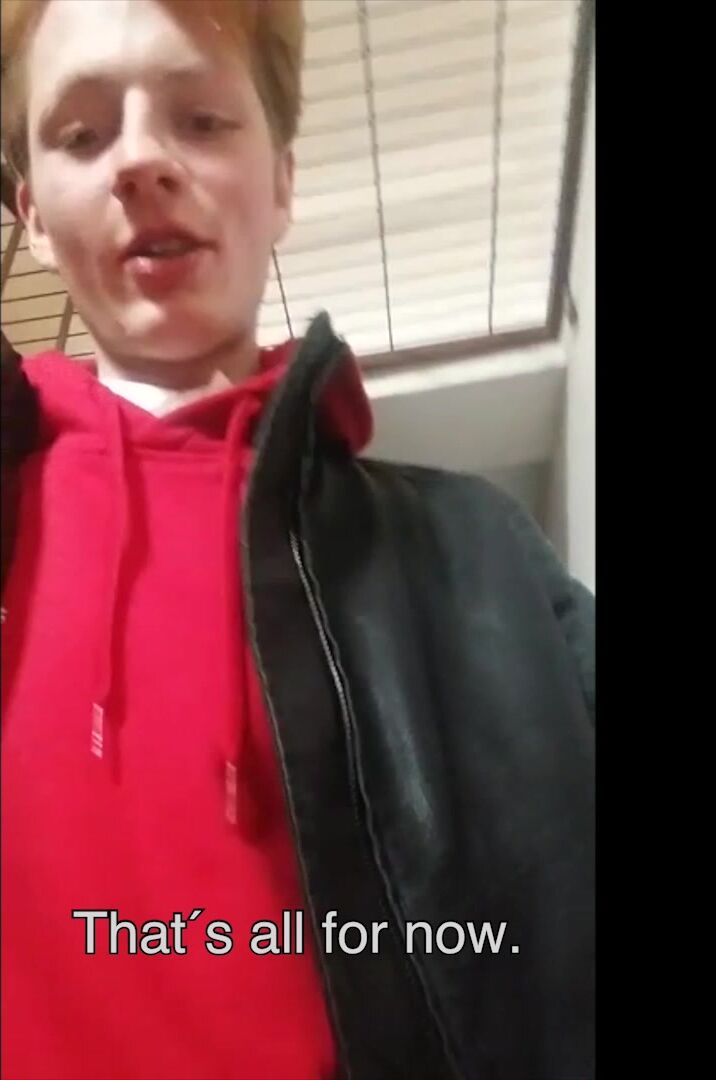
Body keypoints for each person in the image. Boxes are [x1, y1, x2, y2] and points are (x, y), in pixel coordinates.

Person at [0, 1, 595, 1077]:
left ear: (280, 181)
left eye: (201, 120)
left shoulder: (474, 558)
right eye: (82, 134)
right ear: (32, 214)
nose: (139, 160)